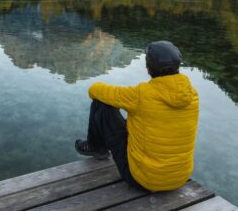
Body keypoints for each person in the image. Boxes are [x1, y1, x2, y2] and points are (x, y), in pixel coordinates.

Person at [75, 41, 199, 192]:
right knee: (146, 121)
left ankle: (96, 148)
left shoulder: (141, 94)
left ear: (148, 69)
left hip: (143, 180)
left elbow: (94, 90)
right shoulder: (192, 95)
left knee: (102, 104)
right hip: (179, 179)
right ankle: (97, 147)